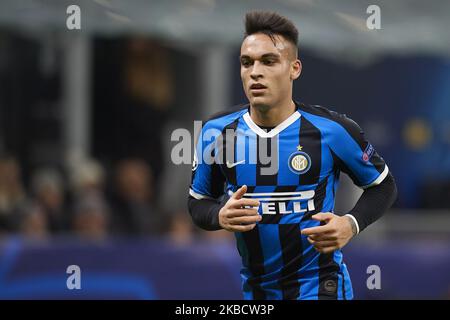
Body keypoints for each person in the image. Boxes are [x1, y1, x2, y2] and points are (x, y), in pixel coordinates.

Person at [187, 11, 397, 300]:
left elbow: (384, 186)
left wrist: (351, 223)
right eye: (247, 62)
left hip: (321, 287)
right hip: (257, 293)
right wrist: (219, 215)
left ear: (294, 68)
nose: (255, 72)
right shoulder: (216, 132)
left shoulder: (333, 130)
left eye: (269, 61)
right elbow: (198, 203)